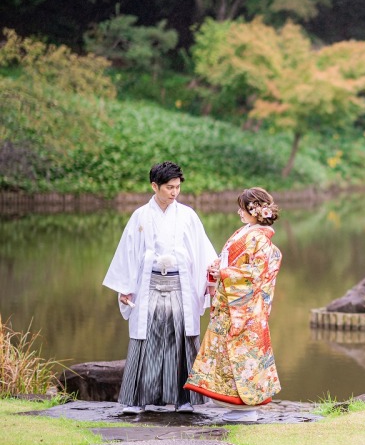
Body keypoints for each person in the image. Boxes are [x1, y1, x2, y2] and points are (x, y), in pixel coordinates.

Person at [103, 161, 218, 415]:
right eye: (169, 187)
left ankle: (184, 398)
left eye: (177, 187)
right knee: (147, 339)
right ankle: (137, 399)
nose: (174, 192)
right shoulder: (140, 216)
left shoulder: (188, 215)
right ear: (154, 186)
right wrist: (124, 287)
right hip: (149, 284)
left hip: (180, 284)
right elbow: (128, 252)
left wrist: (210, 280)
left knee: (182, 338)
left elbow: (202, 251)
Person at [185, 187, 283, 422]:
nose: (239, 212)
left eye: (243, 207)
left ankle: (247, 407)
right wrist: (217, 267)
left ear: (254, 210)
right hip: (231, 302)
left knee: (242, 355)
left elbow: (254, 274)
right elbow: (231, 260)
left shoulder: (260, 239)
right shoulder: (247, 232)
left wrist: (223, 271)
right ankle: (235, 405)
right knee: (228, 355)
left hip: (244, 308)